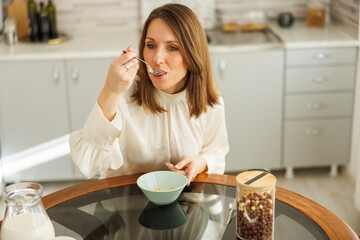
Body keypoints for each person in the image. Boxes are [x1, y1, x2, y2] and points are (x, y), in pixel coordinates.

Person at [69, 3, 229, 185]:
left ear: (193, 53)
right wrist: (110, 90)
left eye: (172, 47)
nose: (157, 58)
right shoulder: (124, 95)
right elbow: (89, 164)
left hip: (186, 204)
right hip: (123, 207)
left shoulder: (211, 102)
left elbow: (216, 151)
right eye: (151, 45)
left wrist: (201, 162)